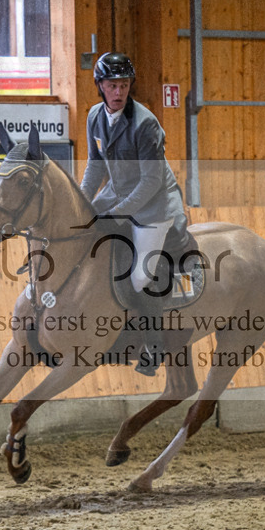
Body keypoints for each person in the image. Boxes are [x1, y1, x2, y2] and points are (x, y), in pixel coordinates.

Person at [80, 52, 186, 376]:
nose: (119, 91)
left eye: (124, 85)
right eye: (113, 85)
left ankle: (153, 351)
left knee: (140, 276)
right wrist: (81, 205)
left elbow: (151, 181)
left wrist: (116, 213)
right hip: (117, 192)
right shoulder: (95, 116)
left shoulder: (146, 123)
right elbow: (95, 167)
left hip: (154, 204)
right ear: (100, 85)